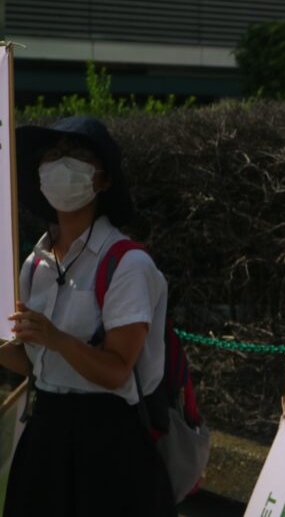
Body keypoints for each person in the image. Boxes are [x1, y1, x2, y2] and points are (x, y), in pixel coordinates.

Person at [0, 117, 175, 516]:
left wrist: (56, 338)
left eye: (78, 155)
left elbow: (116, 371)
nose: (62, 163)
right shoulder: (34, 264)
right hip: (45, 434)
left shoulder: (127, 263)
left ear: (104, 180)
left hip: (109, 440)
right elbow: (31, 364)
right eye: (54, 154)